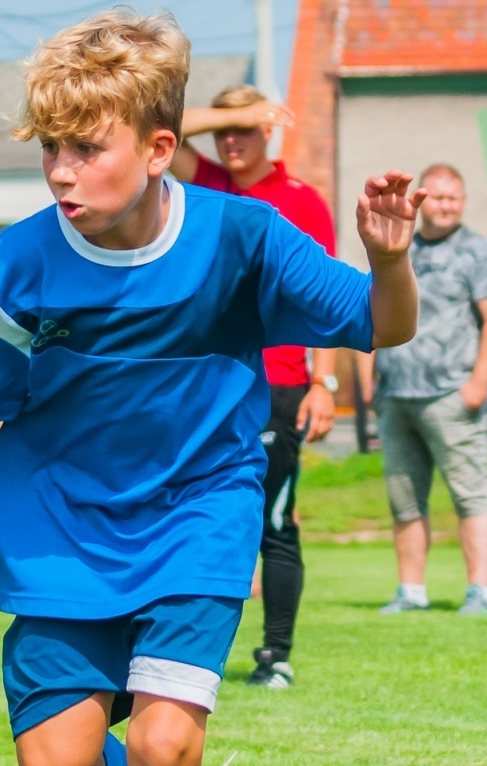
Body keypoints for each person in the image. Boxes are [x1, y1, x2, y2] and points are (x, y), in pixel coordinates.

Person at [0, 11, 421, 766]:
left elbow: (382, 324)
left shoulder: (244, 238)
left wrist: (388, 263)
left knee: (164, 743)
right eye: (52, 149)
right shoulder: (17, 266)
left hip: (199, 511)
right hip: (59, 523)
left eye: (87, 149)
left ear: (159, 151)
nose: (62, 171)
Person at [172, 85, 338, 690]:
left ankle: (276, 656)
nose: (231, 141)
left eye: (245, 129)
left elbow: (326, 297)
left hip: (280, 386)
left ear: (269, 132)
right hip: (205, 385)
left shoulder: (300, 201)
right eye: (224, 130)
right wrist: (238, 112)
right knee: (192, 518)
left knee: (272, 521)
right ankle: (180, 656)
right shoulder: (206, 183)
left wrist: (324, 381)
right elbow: (158, 124)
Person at [356, 163, 487, 616]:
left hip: (451, 395)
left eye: (453, 198)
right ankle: (411, 591)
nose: (446, 206)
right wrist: (368, 384)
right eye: (439, 197)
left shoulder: (477, 252)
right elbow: (369, 308)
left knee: (470, 494)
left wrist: (478, 384)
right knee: (404, 502)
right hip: (397, 395)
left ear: (463, 202)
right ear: (423, 199)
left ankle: (479, 591)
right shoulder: (399, 245)